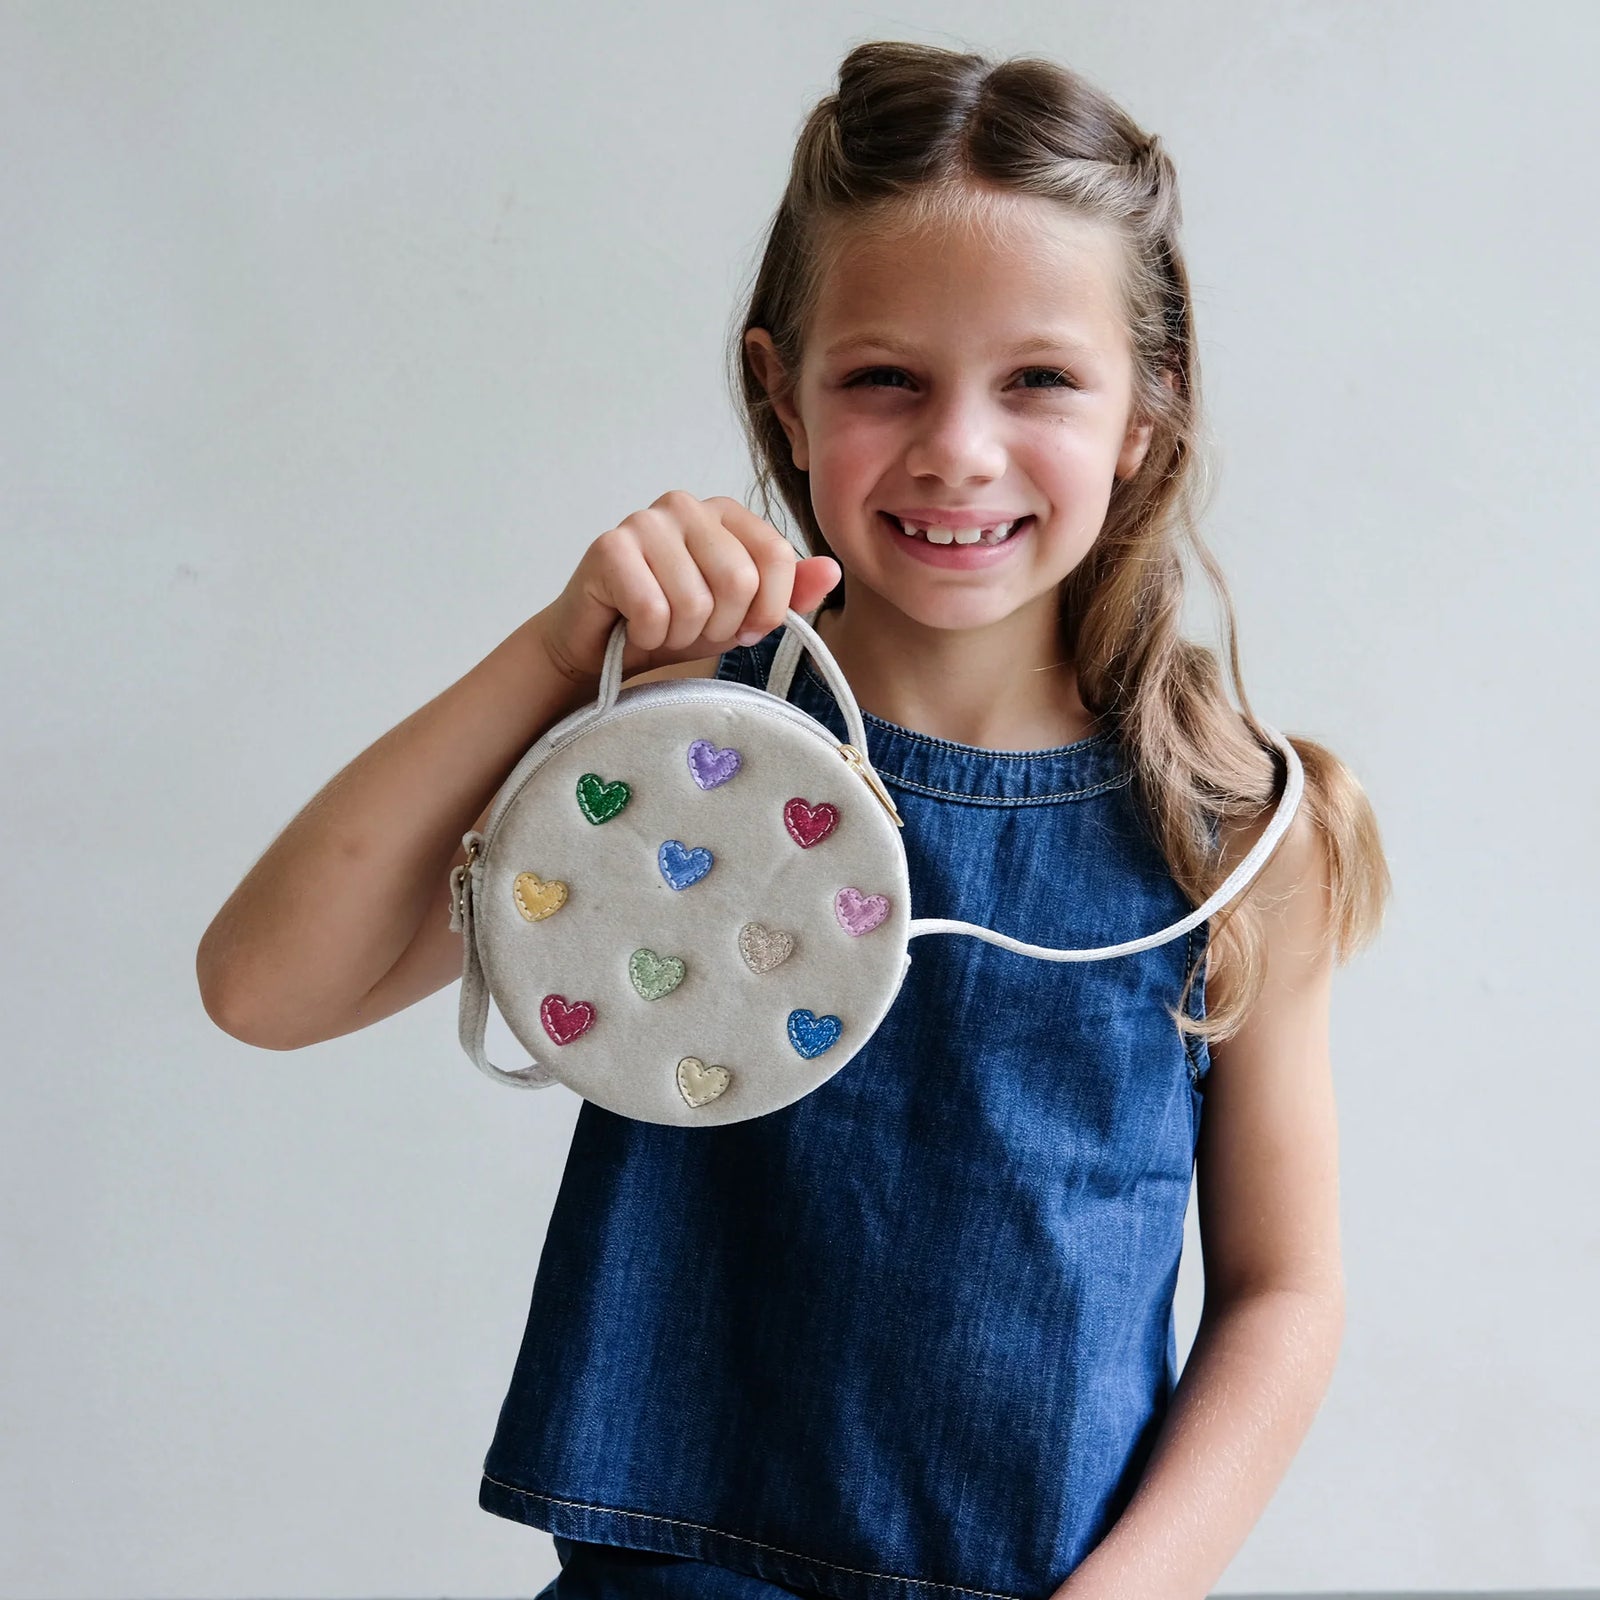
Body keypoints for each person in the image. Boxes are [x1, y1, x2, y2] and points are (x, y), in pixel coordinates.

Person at [197, 38, 1391, 1600]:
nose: (959, 446)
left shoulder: (1228, 839)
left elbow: (1283, 1291)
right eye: (885, 376)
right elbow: (267, 986)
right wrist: (564, 661)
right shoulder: (668, 759)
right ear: (781, 387)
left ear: (1146, 416)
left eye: (1038, 379)